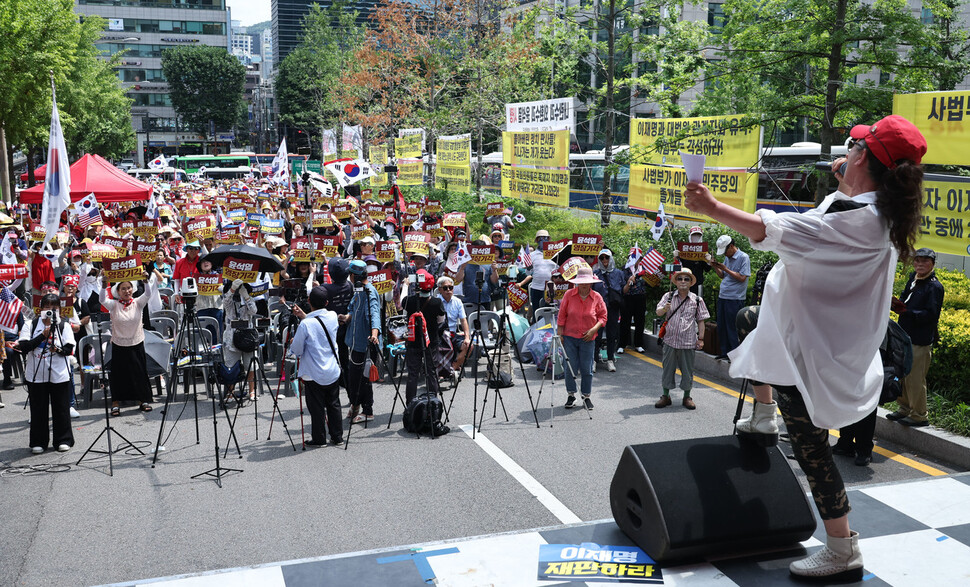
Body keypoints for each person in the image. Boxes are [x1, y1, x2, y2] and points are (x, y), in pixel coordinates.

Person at [684, 114, 926, 580]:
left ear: (863, 157)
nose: (847, 152)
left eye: (854, 147)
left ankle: (842, 548)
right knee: (750, 319)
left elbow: (776, 232)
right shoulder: (871, 208)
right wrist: (848, 179)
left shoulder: (858, 221)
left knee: (813, 453)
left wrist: (712, 207)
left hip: (811, 355)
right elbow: (829, 214)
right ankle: (764, 414)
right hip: (800, 333)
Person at [887, 247, 944, 428]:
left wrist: (908, 312)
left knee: (915, 378)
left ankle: (919, 415)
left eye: (925, 261)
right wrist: (897, 304)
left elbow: (931, 315)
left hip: (920, 340)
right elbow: (906, 297)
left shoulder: (934, 286)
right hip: (904, 335)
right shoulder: (914, 278)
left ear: (932, 264)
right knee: (902, 375)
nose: (920, 264)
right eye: (917, 260)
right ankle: (905, 408)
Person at [18, 294, 75, 454]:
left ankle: (63, 439)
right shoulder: (30, 325)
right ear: (40, 309)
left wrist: (57, 349)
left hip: (59, 373)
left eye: (54, 308)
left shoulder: (64, 326)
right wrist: (42, 335)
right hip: (36, 374)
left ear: (59, 310)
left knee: (61, 408)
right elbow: (24, 347)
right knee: (38, 409)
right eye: (47, 308)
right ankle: (38, 441)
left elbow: (68, 349)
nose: (50, 311)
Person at [100, 270, 162, 416]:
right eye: (123, 289)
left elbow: (147, 294)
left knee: (139, 373)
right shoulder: (114, 305)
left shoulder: (138, 302)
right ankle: (116, 402)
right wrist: (103, 284)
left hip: (136, 343)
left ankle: (143, 400)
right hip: (119, 344)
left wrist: (145, 281)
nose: (127, 291)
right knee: (118, 375)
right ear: (118, 291)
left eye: (129, 288)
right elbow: (102, 299)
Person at [288, 286, 342, 446]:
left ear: (309, 301)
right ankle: (337, 437)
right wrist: (303, 316)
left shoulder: (305, 325)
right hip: (332, 369)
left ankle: (319, 439)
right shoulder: (332, 316)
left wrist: (293, 342)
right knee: (334, 404)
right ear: (327, 302)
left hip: (313, 373)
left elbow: (297, 350)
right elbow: (318, 324)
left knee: (316, 408)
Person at [654, 268, 709, 410]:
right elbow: (658, 312)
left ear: (691, 282)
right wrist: (665, 309)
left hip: (688, 341)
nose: (683, 281)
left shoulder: (697, 300)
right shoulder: (668, 296)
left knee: (687, 371)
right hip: (670, 340)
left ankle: (687, 396)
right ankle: (665, 396)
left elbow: (701, 320)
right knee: (667, 369)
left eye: (686, 279)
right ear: (675, 282)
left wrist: (701, 339)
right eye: (680, 279)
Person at [557, 260, 606, 410]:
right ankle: (571, 395)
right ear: (577, 282)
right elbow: (562, 315)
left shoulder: (597, 297)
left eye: (587, 282)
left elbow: (603, 317)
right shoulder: (569, 295)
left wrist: (593, 330)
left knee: (587, 368)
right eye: (581, 282)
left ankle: (586, 396)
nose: (584, 285)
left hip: (588, 338)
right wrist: (560, 335)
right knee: (570, 367)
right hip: (570, 337)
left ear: (591, 282)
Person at [340, 260, 381, 423]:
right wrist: (346, 317)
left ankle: (367, 411)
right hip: (354, 341)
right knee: (354, 376)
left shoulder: (370, 292)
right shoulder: (357, 290)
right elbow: (352, 308)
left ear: (354, 276)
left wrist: (374, 334)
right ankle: (355, 404)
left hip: (366, 343)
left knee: (363, 378)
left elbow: (375, 314)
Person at [402, 269, 446, 403]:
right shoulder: (437, 302)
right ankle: (433, 402)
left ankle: (410, 404)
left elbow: (402, 304)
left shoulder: (409, 301)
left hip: (413, 342)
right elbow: (441, 320)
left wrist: (405, 286)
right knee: (431, 372)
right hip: (431, 341)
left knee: (413, 374)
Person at [710, 234, 749, 360]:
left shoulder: (743, 257)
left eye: (725, 251)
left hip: (735, 298)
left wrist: (726, 269)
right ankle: (725, 352)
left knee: (732, 327)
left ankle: (735, 355)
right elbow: (722, 275)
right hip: (723, 296)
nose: (725, 255)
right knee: (722, 325)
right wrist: (716, 266)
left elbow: (742, 278)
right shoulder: (728, 257)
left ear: (731, 246)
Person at [222, 279, 258, 402]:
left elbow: (253, 311)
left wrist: (246, 296)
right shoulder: (229, 300)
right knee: (231, 366)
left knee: (250, 365)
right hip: (231, 337)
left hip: (247, 337)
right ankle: (230, 392)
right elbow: (225, 302)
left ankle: (252, 390)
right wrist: (232, 289)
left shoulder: (248, 299)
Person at [593, 248, 624, 372]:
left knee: (612, 334)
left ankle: (610, 359)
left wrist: (629, 283)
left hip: (613, 307)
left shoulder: (619, 273)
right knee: (597, 335)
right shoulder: (595, 274)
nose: (604, 260)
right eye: (601, 258)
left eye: (607, 257)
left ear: (611, 258)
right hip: (598, 308)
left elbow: (623, 290)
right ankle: (594, 360)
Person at [437, 275, 470, 382]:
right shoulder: (435, 301)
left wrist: (467, 337)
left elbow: (463, 320)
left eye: (450, 287)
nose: (448, 290)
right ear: (440, 289)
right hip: (439, 334)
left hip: (452, 334)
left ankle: (452, 368)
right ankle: (441, 371)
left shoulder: (457, 301)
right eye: (445, 288)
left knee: (469, 346)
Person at [673, 226, 709, 296]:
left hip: (698, 284)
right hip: (684, 282)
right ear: (690, 236)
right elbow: (676, 268)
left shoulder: (704, 251)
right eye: (694, 235)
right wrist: (676, 258)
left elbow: (707, 269)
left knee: (697, 301)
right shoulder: (683, 249)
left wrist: (709, 262)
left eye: (698, 235)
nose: (696, 237)